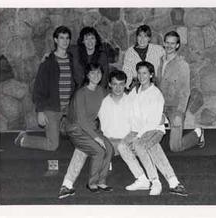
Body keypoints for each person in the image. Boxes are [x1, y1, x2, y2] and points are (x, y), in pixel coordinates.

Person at [118, 61, 188, 196]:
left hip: (154, 129)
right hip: (138, 130)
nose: (141, 76)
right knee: (122, 146)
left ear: (151, 75)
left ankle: (155, 181)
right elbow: (126, 107)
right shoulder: (135, 91)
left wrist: (138, 136)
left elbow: (154, 120)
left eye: (145, 73)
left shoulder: (156, 94)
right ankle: (142, 179)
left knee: (140, 145)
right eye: (139, 73)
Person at [14, 26, 80, 154]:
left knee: (78, 137)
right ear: (55, 40)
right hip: (52, 109)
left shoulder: (71, 59)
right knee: (52, 145)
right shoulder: (48, 61)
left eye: (67, 38)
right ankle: (24, 139)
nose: (65, 41)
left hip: (68, 110)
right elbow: (38, 88)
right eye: (61, 38)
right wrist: (40, 111)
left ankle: (61, 130)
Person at [58, 63, 114, 199]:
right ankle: (92, 183)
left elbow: (117, 95)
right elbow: (82, 120)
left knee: (110, 148)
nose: (96, 76)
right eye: (93, 73)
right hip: (76, 129)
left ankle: (101, 181)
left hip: (91, 128)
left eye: (99, 73)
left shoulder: (101, 90)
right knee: (99, 150)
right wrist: (97, 138)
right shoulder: (81, 93)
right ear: (87, 75)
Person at [157, 31, 205, 152]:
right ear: (164, 43)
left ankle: (197, 134)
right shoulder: (159, 61)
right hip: (160, 107)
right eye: (167, 42)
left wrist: (179, 113)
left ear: (177, 45)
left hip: (175, 108)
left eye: (172, 43)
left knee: (175, 147)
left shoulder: (182, 65)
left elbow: (185, 92)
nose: (169, 46)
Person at [123, 24, 165, 90]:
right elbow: (127, 71)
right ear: (136, 37)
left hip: (154, 84)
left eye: (145, 36)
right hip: (137, 84)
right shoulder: (130, 52)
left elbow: (168, 59)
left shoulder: (158, 49)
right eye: (140, 36)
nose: (142, 39)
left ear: (149, 38)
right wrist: (127, 87)